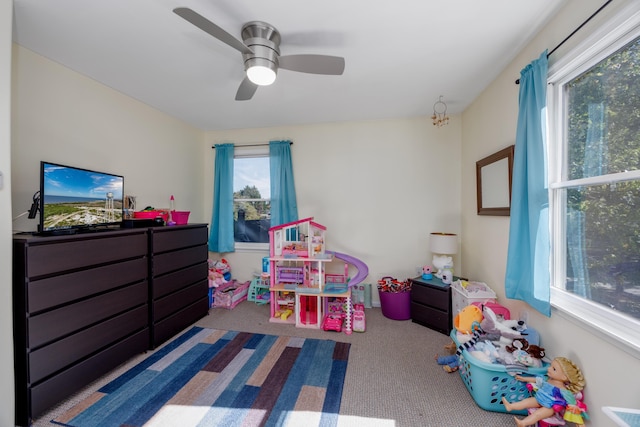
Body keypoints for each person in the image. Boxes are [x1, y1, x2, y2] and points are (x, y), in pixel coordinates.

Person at [502, 356, 586, 427]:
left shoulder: (564, 390)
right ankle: (510, 406)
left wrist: (579, 422)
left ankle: (523, 423)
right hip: (539, 399)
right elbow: (536, 380)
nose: (549, 369)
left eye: (553, 369)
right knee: (525, 402)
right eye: (550, 366)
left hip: (549, 407)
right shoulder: (548, 379)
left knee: (537, 414)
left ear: (564, 377)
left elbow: (572, 405)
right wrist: (523, 378)